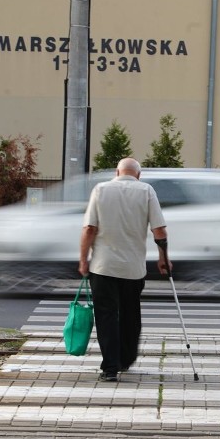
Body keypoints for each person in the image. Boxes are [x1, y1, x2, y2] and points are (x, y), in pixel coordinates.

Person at [78, 158, 170, 382]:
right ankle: (126, 359)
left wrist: (83, 259)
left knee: (106, 316)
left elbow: (90, 228)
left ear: (116, 171)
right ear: (138, 175)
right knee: (130, 313)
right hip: (133, 268)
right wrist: (163, 258)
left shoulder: (100, 189)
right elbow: (159, 230)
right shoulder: (147, 191)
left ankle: (110, 367)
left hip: (103, 267)